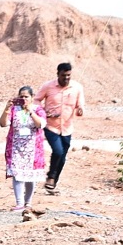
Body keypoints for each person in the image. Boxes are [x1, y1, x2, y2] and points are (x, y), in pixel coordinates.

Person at [34, 62, 85, 194]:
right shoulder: (48, 86)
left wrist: (80, 110)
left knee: (62, 157)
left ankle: (52, 183)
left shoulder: (77, 87)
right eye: (63, 75)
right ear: (58, 74)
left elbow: (80, 105)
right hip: (51, 126)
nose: (66, 78)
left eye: (68, 75)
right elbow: (36, 100)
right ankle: (51, 176)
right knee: (57, 151)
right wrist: (43, 112)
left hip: (67, 128)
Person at [0, 86, 47, 210]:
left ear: (32, 97)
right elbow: (3, 123)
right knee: (17, 173)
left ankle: (28, 202)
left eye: (26, 97)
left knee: (31, 175)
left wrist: (30, 112)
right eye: (21, 97)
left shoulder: (38, 110)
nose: (24, 99)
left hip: (33, 148)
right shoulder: (14, 110)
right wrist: (6, 109)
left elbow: (40, 124)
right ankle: (19, 203)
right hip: (16, 147)